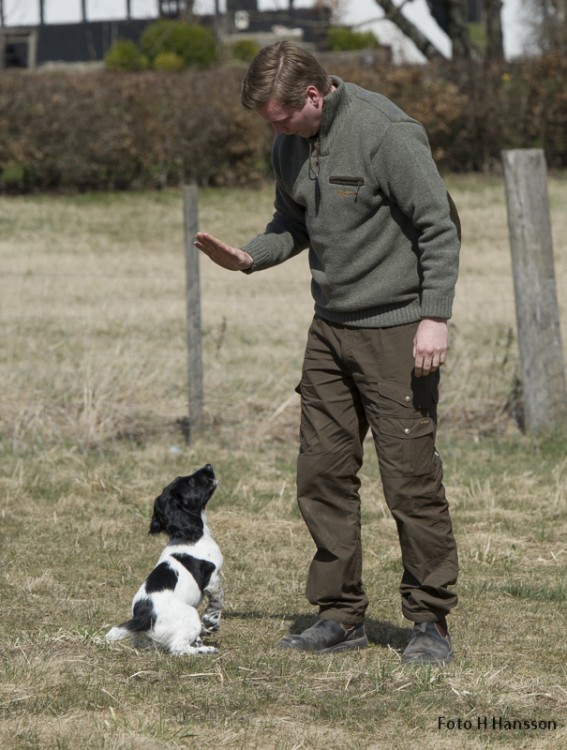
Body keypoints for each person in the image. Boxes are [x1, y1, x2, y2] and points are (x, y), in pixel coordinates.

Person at [195, 41, 460, 665]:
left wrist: (434, 319)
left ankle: (430, 620)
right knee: (321, 472)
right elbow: (293, 219)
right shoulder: (289, 141)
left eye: (280, 115)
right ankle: (340, 615)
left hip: (398, 331)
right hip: (330, 329)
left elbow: (438, 226)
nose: (273, 127)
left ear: (313, 97)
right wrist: (249, 256)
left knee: (410, 480)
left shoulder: (387, 132)